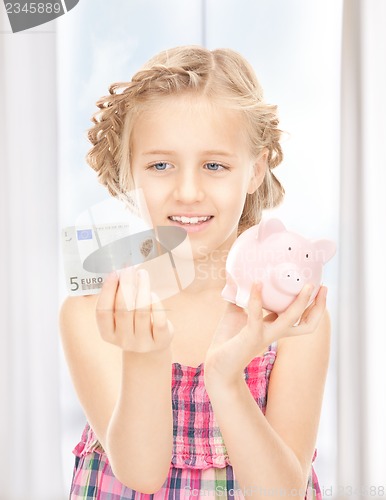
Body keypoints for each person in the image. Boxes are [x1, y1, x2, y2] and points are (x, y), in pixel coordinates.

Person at [59, 45, 330, 500]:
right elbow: (142, 474)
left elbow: (280, 493)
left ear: (255, 170)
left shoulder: (290, 316)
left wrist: (226, 378)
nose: (188, 191)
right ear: (129, 171)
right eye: (160, 165)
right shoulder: (92, 313)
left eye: (214, 165)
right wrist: (144, 356)